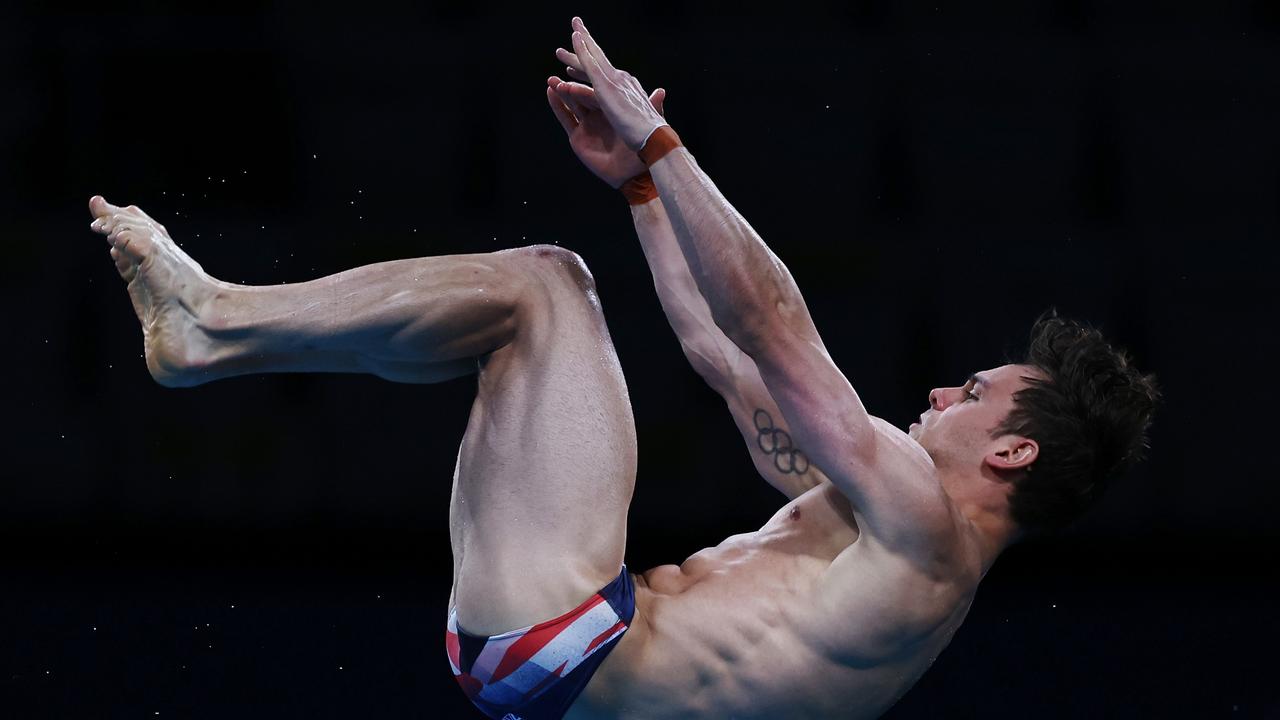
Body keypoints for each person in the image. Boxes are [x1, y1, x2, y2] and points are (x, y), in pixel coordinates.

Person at [87, 16, 1157, 719]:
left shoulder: (925, 535)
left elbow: (776, 327)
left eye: (971, 395)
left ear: (1012, 450)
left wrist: (661, 143)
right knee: (515, 322)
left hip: (565, 641)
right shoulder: (879, 530)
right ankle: (218, 333)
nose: (939, 393)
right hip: (551, 652)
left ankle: (215, 324)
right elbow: (721, 349)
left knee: (544, 287)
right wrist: (638, 193)